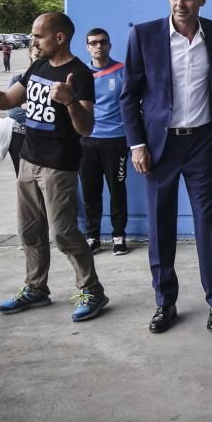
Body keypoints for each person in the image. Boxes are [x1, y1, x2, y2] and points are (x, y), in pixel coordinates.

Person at [0, 13, 109, 322]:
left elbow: (86, 128)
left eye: (38, 36)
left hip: (59, 166)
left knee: (64, 233)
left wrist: (70, 102)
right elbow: (6, 99)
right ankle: (36, 288)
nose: (33, 41)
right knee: (29, 231)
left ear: (59, 37)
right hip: (28, 161)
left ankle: (93, 291)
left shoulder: (79, 74)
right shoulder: (38, 66)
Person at [120, 0, 212, 334]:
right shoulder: (145, 34)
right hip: (158, 146)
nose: (180, 4)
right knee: (159, 224)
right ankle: (165, 303)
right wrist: (137, 144)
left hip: (199, 142)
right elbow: (129, 95)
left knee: (206, 221)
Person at [79, 28, 129, 256]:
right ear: (87, 47)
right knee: (91, 192)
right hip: (87, 141)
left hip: (116, 141)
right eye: (94, 43)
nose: (99, 46)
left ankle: (119, 237)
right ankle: (93, 237)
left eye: (103, 42)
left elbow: (133, 105)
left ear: (109, 45)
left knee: (117, 191)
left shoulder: (122, 71)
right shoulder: (80, 74)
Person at [6, 45, 42, 174]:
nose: (39, 60)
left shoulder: (54, 81)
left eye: (43, 57)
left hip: (44, 138)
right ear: (30, 54)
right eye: (37, 56)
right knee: (22, 177)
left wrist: (26, 106)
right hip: (20, 136)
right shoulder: (17, 79)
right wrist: (40, 114)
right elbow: (12, 111)